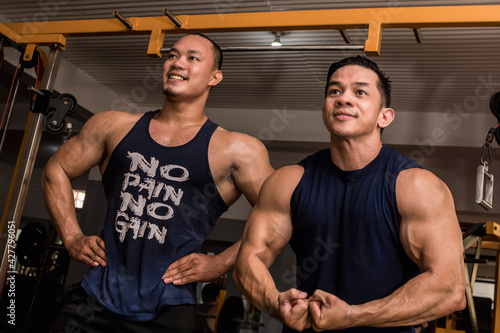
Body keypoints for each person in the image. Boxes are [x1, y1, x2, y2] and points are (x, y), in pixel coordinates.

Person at [41, 33, 274, 332]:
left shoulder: (237, 150)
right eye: (172, 55)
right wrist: (72, 237)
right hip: (94, 297)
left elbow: (277, 219)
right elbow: (56, 168)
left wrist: (220, 264)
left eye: (192, 58)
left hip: (169, 306)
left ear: (214, 77)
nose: (177, 63)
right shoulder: (112, 126)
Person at [233, 56, 466, 332]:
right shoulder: (288, 181)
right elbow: (248, 260)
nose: (344, 99)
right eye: (335, 91)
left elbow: (450, 289)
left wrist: (354, 315)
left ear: (385, 116)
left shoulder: (416, 186)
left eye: (360, 92)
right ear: (324, 112)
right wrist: (275, 302)